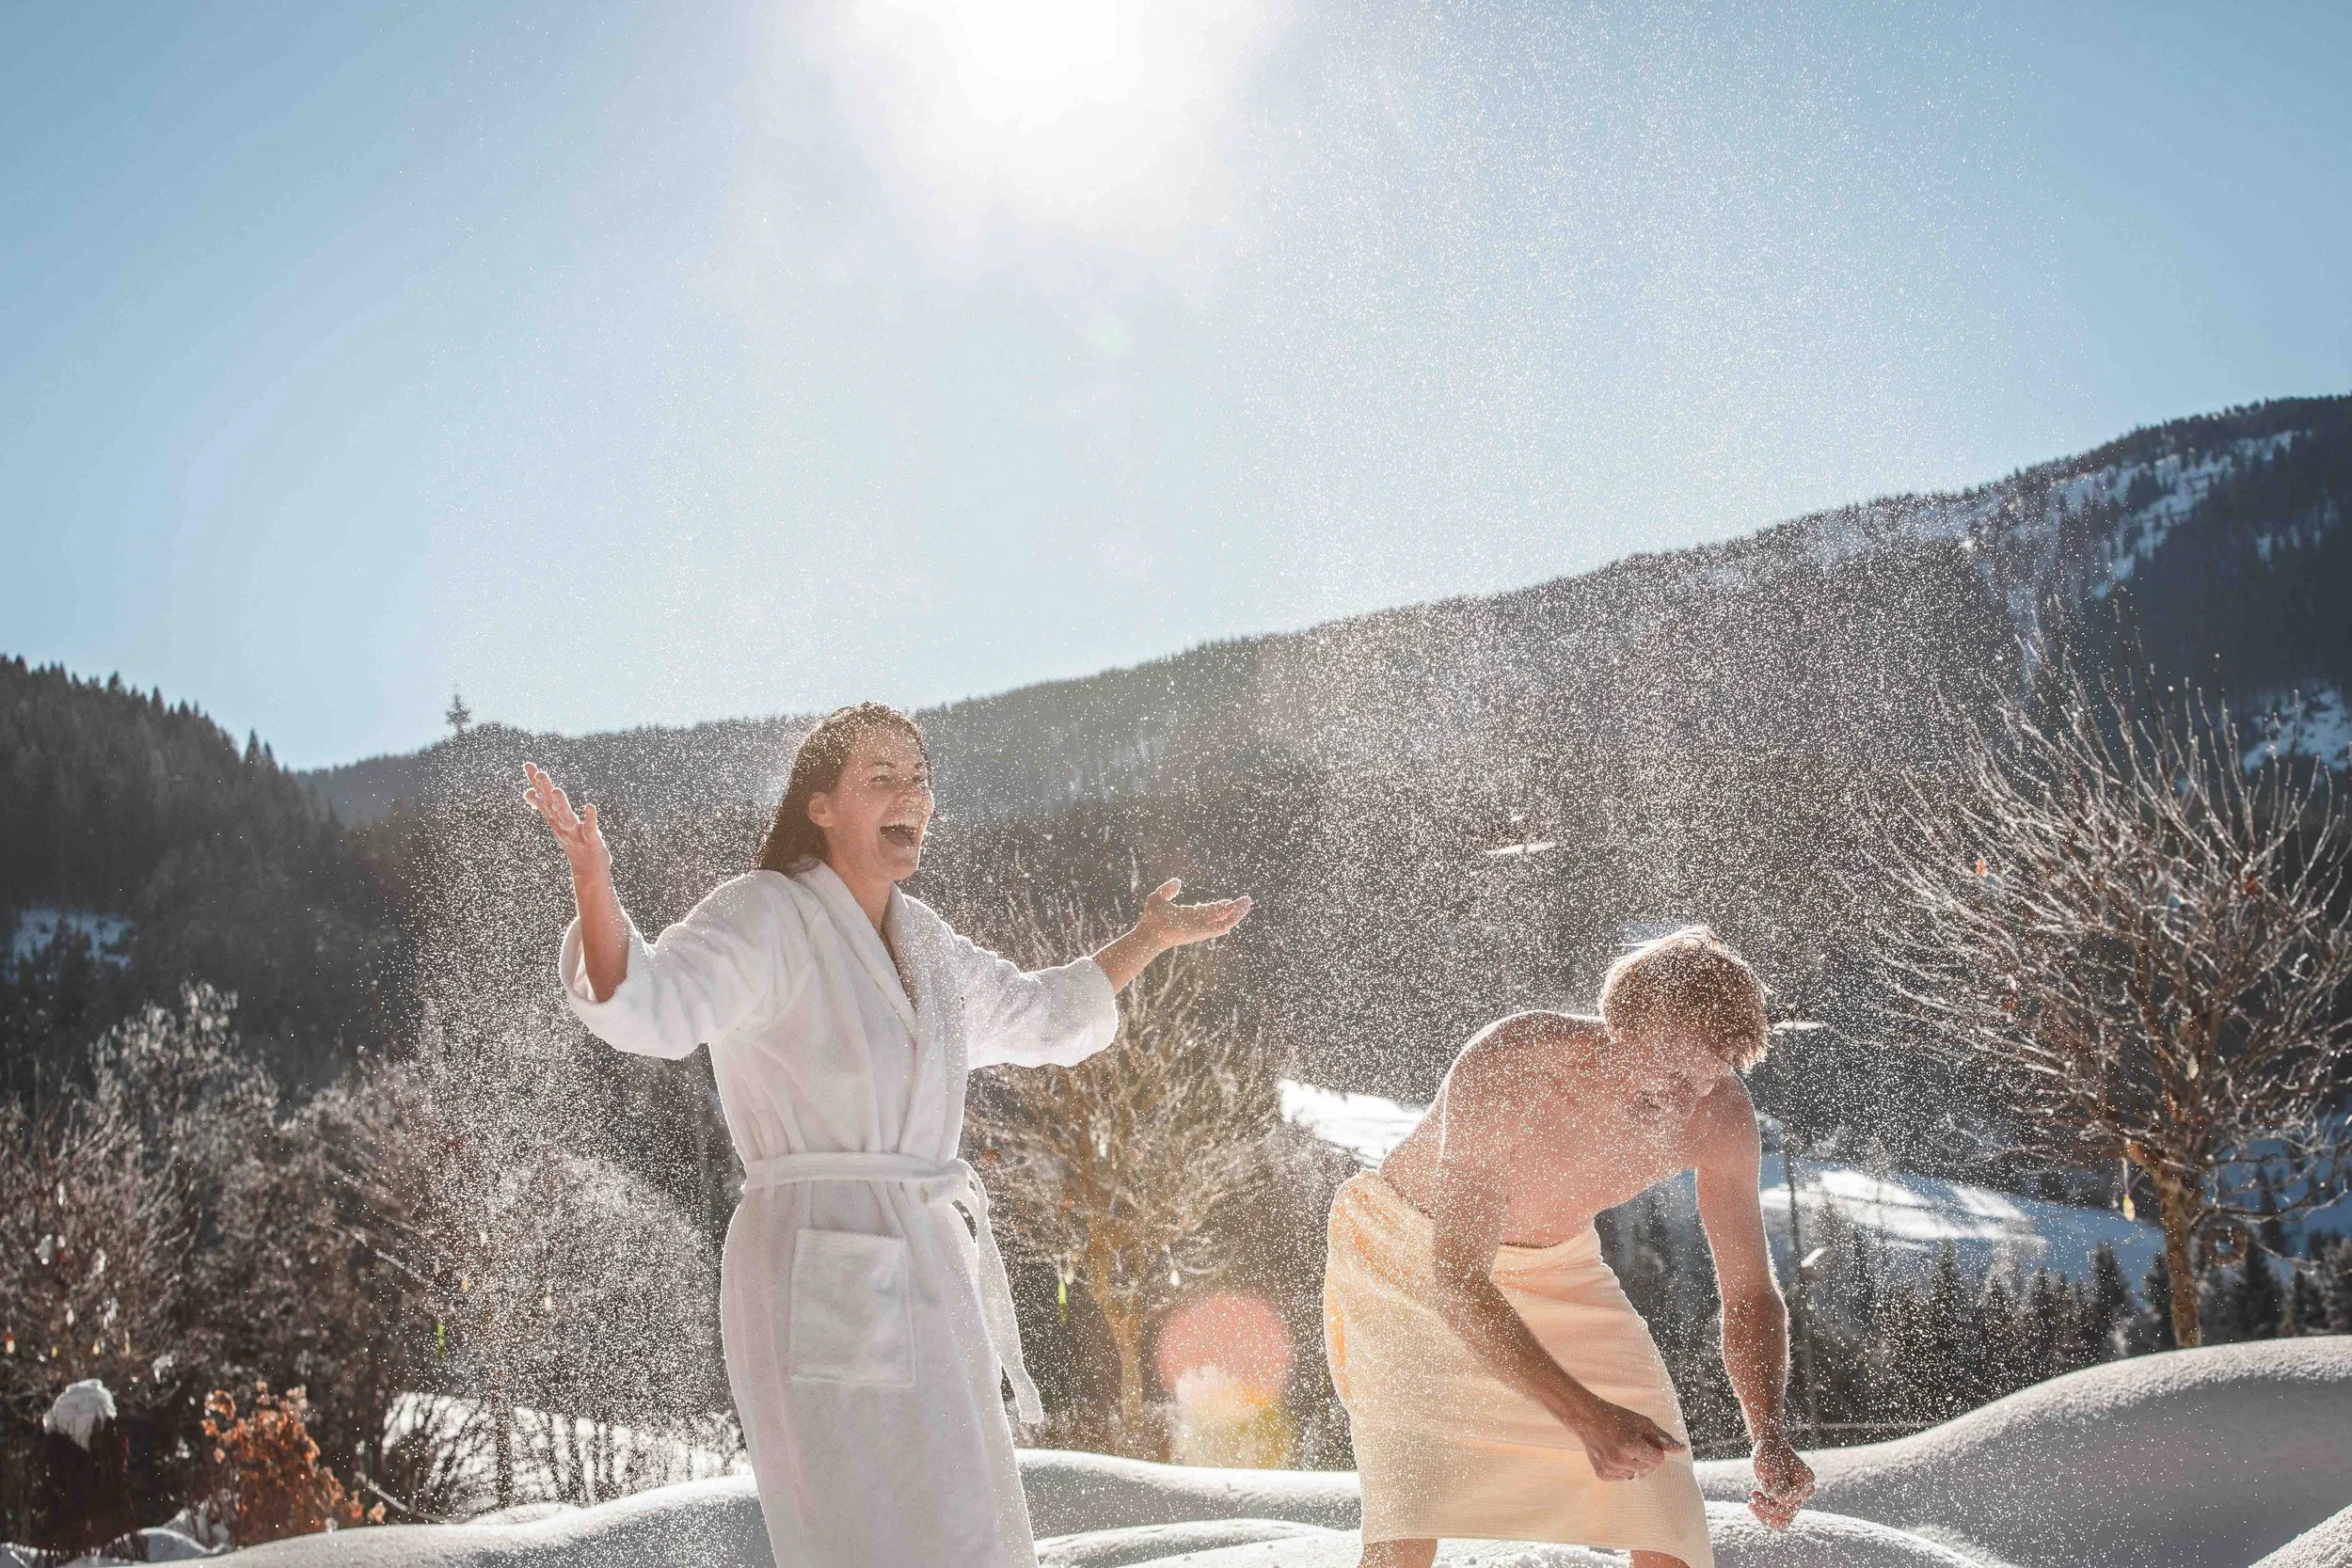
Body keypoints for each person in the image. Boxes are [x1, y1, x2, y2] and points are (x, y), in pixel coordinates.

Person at [525, 702, 1248, 1568]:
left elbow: (1047, 1014)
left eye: (921, 779)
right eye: (883, 776)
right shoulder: (766, 914)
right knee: (864, 1538)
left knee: (970, 1527)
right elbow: (646, 1002)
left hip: (927, 1256)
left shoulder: (929, 944)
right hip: (815, 1258)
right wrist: (594, 883)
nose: (913, 794)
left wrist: (1147, 939)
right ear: (820, 805)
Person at [1322, 927, 1816, 1568]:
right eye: (1669, 1070)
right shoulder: (1513, 1066)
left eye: (1705, 1077)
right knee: (1406, 1528)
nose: (1681, 1098)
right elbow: (1458, 1281)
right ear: (1620, 1025)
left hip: (1562, 1267)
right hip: (1410, 1262)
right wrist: (1585, 1416)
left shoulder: (1719, 1115)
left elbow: (1750, 1294)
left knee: (1670, 1519)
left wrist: (1768, 1434)